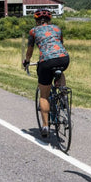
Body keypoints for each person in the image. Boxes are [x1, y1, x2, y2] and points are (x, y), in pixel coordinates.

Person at [22, 9, 70, 138]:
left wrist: (26, 61)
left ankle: (45, 126)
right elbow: (59, 43)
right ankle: (63, 93)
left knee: (44, 95)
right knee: (60, 70)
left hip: (46, 61)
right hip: (64, 58)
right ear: (50, 20)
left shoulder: (33, 31)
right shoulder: (57, 29)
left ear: (36, 21)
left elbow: (30, 51)